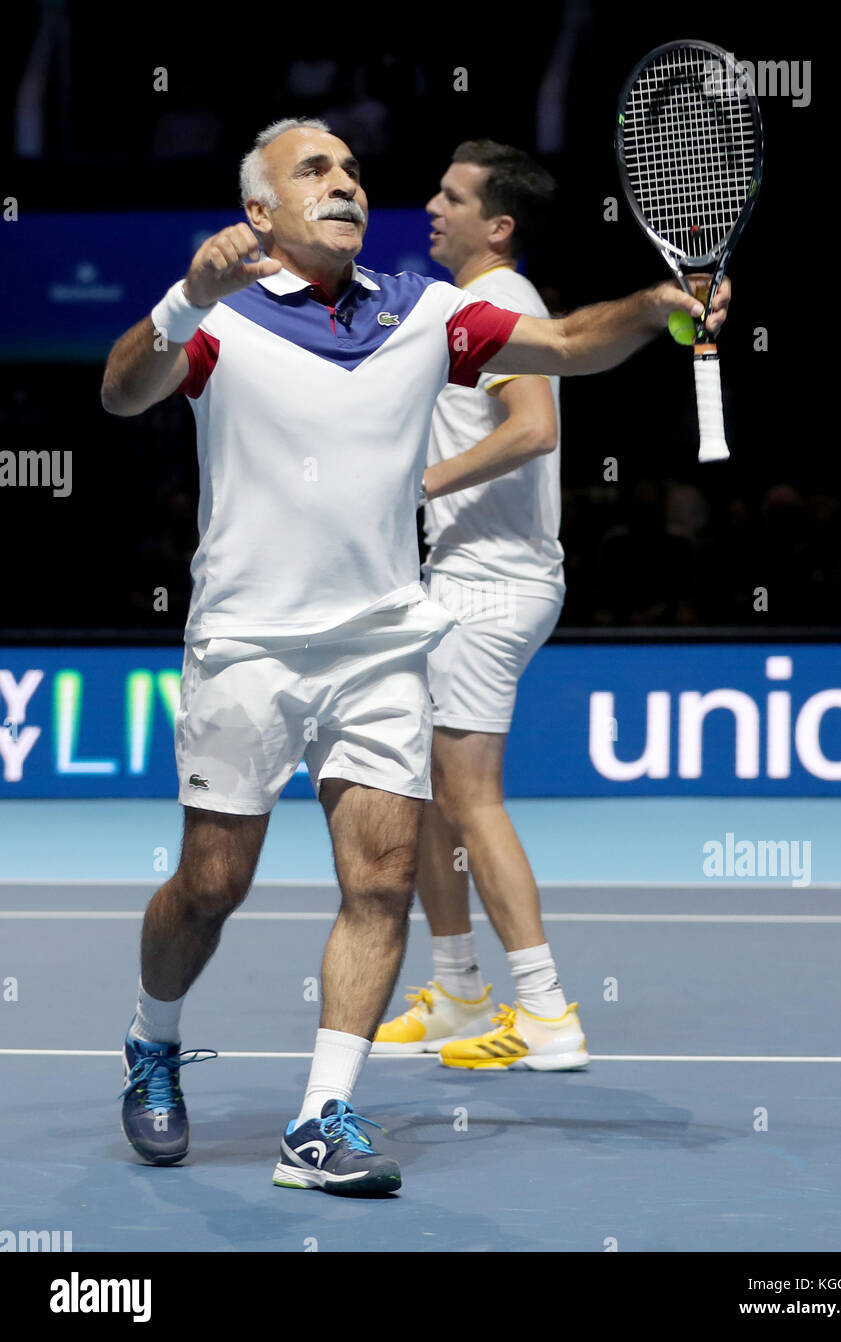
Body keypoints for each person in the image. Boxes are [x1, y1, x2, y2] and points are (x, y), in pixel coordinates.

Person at [100, 116, 728, 1195]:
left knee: (383, 875)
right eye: (315, 170)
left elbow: (573, 343)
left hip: (386, 636)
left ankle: (322, 1116)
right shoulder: (223, 321)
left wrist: (658, 307)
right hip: (247, 641)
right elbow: (121, 391)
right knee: (212, 883)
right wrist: (184, 296)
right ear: (261, 213)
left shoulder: (424, 312)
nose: (345, 182)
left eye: (350, 167)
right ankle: (154, 1040)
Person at [373, 141, 583, 1068]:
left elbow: (533, 429)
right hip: (455, 580)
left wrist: (418, 484)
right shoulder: (461, 303)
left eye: (452, 197)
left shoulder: (504, 302)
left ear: (497, 224)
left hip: (490, 586)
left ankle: (546, 1012)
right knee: (424, 796)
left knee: (468, 794)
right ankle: (459, 991)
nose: (432, 205)